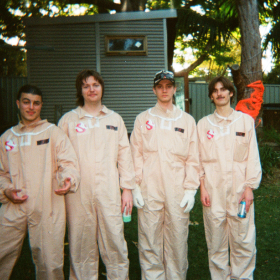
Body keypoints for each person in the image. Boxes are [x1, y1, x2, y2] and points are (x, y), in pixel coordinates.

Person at [58, 69, 141, 280]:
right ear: (80, 90)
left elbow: (125, 156)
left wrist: (127, 190)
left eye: (95, 85)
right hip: (78, 193)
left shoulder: (115, 119)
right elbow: (59, 158)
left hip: (109, 191)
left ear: (102, 88)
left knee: (115, 241)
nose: (91, 89)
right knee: (80, 245)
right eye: (86, 86)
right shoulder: (68, 120)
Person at [0, 85, 80, 280]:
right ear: (18, 103)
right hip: (13, 206)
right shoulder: (7, 137)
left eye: (36, 103)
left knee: (49, 263)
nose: (31, 107)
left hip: (47, 205)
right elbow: (1, 173)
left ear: (41, 106)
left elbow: (69, 163)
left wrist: (68, 180)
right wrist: (7, 191)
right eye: (26, 102)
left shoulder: (53, 133)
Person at [130, 70, 200, 279]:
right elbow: (136, 154)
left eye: (168, 86)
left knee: (177, 239)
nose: (164, 90)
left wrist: (190, 190)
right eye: (160, 86)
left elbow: (193, 158)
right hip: (149, 189)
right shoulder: (143, 119)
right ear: (154, 90)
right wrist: (135, 186)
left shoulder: (187, 121)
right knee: (150, 239)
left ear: (174, 89)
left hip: (177, 190)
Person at [197, 76, 262, 280]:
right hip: (213, 191)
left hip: (239, 190)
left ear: (231, 93)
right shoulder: (203, 125)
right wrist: (202, 188)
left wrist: (249, 187)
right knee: (216, 241)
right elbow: (197, 159)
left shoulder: (245, 122)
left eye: (223, 89)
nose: (220, 93)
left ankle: (242, 277)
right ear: (211, 96)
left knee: (243, 239)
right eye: (215, 90)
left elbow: (252, 155)